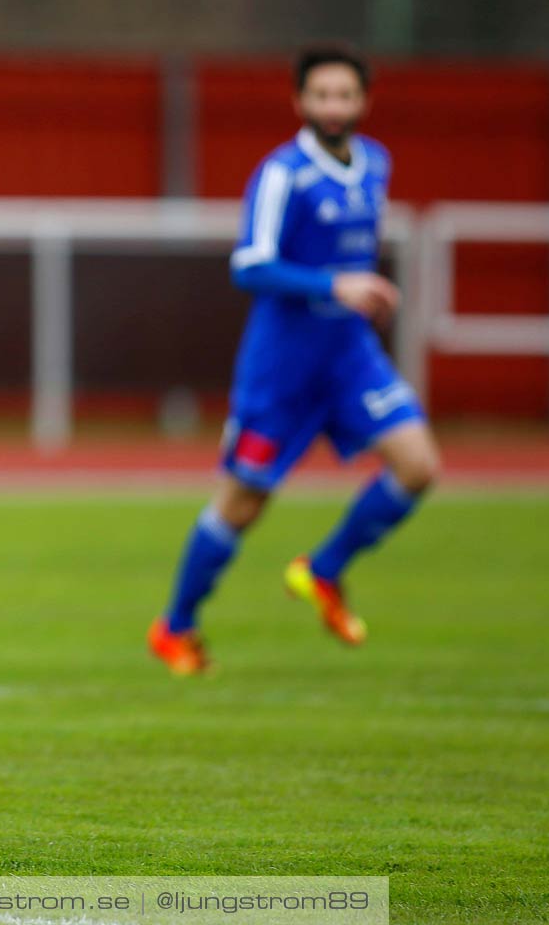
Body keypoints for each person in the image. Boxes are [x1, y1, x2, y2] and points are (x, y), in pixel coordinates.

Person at [148, 43, 441, 674]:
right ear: (299, 101)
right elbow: (249, 264)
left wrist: (362, 295)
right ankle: (175, 627)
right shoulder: (281, 173)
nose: (333, 107)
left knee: (417, 465)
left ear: (363, 101)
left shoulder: (375, 165)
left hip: (350, 356)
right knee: (242, 504)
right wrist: (335, 286)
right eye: (321, 95)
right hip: (281, 368)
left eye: (345, 95)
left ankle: (324, 570)